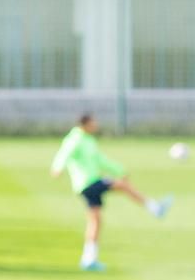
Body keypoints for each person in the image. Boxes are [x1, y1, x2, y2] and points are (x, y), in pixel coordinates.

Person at [51, 113, 171, 271]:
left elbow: (101, 160)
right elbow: (64, 153)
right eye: (93, 122)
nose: (96, 125)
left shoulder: (89, 140)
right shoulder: (75, 139)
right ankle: (155, 208)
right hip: (88, 183)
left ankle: (88, 260)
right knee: (122, 185)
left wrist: (119, 170)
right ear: (85, 124)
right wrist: (57, 167)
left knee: (95, 221)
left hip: (89, 184)